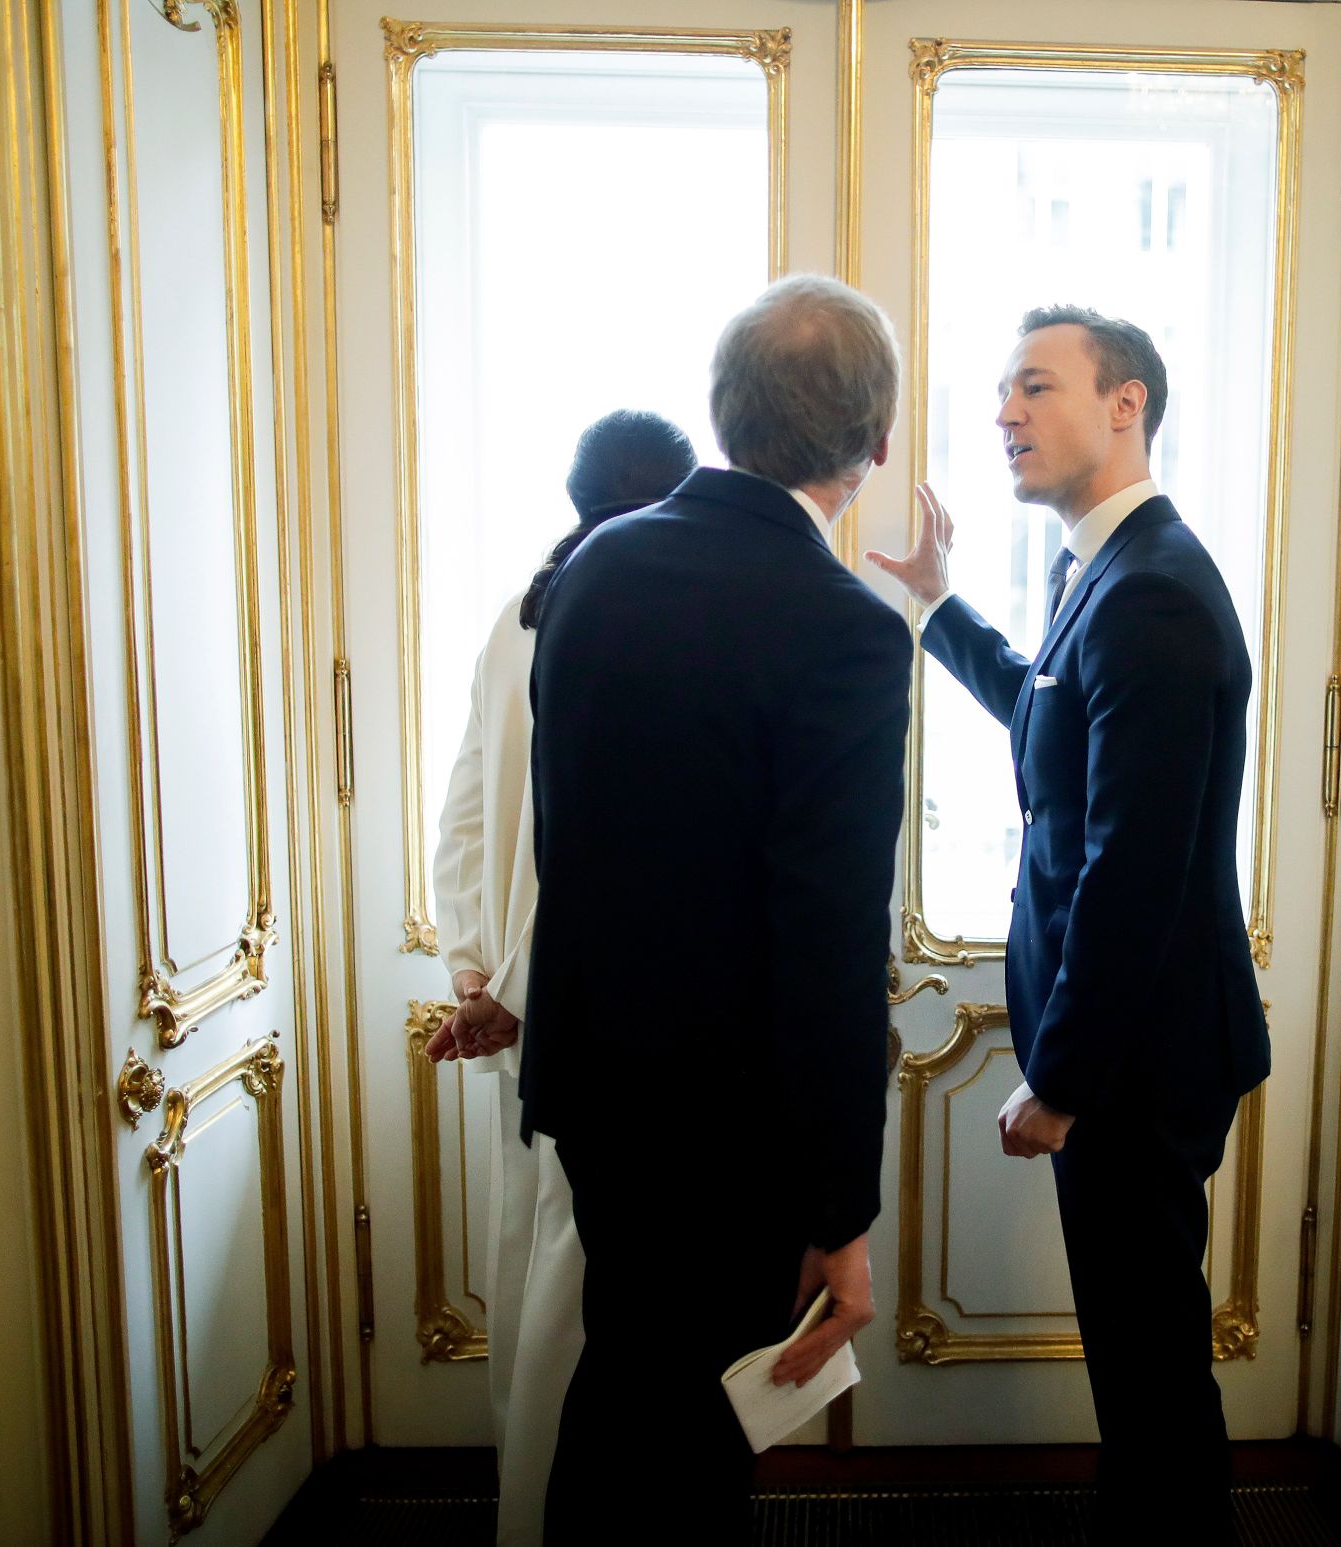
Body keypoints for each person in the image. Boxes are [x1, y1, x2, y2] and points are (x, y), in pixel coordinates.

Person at [869, 305, 1268, 1543]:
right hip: (1126, 1051)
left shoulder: (1151, 592)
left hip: (1135, 1064)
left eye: (1033, 386)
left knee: (1149, 1367)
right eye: (1000, 391)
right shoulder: (1097, 570)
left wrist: (1060, 1076)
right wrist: (939, 609)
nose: (1001, 414)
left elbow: (1129, 869)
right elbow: (1049, 719)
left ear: (1124, 403)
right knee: (1137, 1356)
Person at [523, 275, 912, 1542]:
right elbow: (828, 939)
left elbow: (573, 834)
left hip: (595, 1087)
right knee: (692, 1441)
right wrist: (839, 1210)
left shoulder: (594, 570)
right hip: (732, 1127)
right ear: (875, 443)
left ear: (720, 408)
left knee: (627, 1379)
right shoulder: (844, 630)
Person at [428, 409, 699, 1547]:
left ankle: (528, 1512)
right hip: (596, 1025)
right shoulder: (642, 621)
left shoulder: (520, 610)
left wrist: (476, 972)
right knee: (572, 1308)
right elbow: (592, 859)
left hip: (526, 1015)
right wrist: (515, 991)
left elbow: (468, 813)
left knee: (529, 1272)